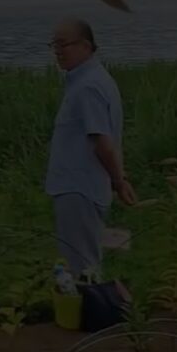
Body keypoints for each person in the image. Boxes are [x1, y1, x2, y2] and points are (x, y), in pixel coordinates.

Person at [47, 19, 136, 279]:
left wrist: (119, 182)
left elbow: (104, 144)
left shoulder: (88, 87)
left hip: (79, 188)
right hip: (81, 187)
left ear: (86, 46)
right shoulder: (87, 80)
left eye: (63, 44)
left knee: (81, 266)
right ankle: (90, 312)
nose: (57, 50)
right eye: (54, 44)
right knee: (82, 261)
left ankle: (93, 315)